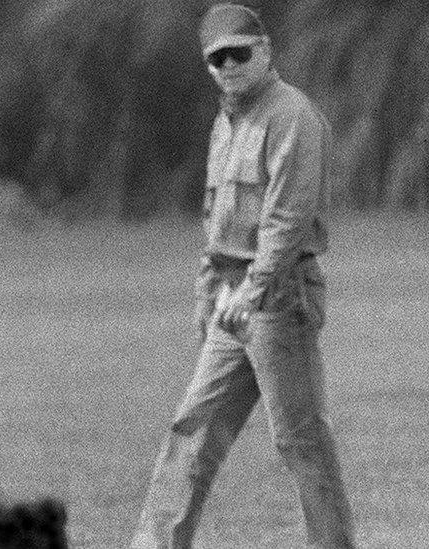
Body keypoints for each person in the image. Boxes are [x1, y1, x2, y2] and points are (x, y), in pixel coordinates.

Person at [130, 4, 356, 548]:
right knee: (192, 429)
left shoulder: (292, 117)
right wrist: (209, 298)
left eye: (239, 52)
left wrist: (251, 292)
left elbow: (287, 220)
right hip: (230, 299)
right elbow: (217, 223)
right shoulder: (226, 121)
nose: (229, 65)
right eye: (217, 58)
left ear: (266, 49)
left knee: (301, 440)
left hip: (279, 298)